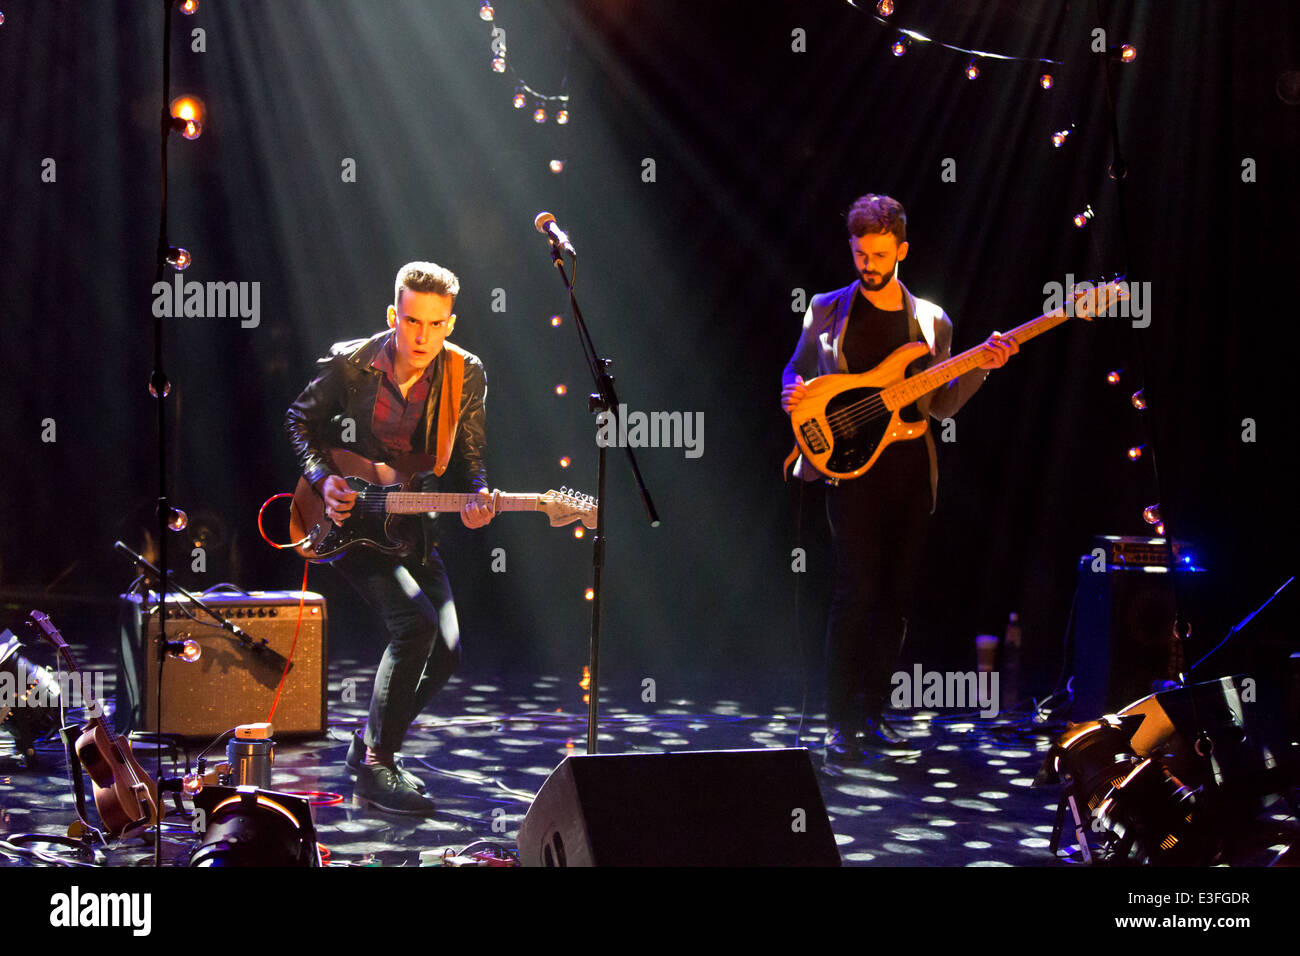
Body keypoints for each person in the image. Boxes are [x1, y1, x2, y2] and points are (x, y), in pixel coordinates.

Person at [781, 194, 1017, 761]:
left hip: (910, 469)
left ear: (902, 250)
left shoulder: (932, 321)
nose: (867, 264)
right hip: (850, 469)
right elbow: (796, 367)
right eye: (860, 253)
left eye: (879, 254)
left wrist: (982, 369)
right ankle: (840, 720)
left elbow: (940, 405)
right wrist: (792, 387)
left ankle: (874, 710)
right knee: (854, 592)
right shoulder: (825, 309)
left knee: (895, 598)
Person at [285, 261, 494, 812]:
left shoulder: (465, 373)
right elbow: (299, 421)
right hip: (347, 522)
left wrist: (478, 494)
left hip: (408, 519)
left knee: (446, 650)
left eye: (435, 324)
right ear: (392, 316)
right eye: (411, 321)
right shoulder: (350, 362)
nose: (422, 336)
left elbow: (470, 456)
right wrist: (322, 478)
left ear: (450, 323)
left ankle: (367, 743)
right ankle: (379, 763)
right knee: (414, 626)